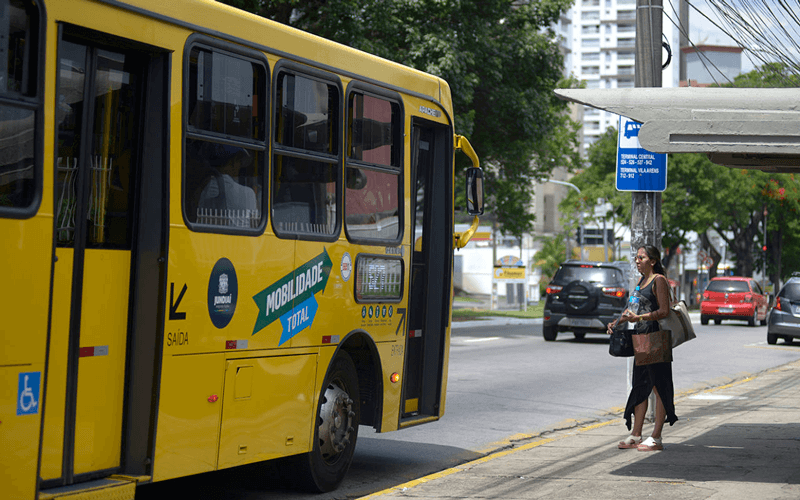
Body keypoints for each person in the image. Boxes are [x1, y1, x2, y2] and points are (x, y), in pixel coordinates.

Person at [607, 245, 678, 451]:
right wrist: (618, 321)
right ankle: (636, 434)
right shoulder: (641, 282)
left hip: (656, 339)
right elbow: (633, 308)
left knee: (659, 387)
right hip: (641, 340)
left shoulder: (659, 281)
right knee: (640, 386)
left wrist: (639, 318)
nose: (637, 261)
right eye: (636, 257)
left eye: (641, 257)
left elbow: (664, 311)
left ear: (652, 261)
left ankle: (656, 437)